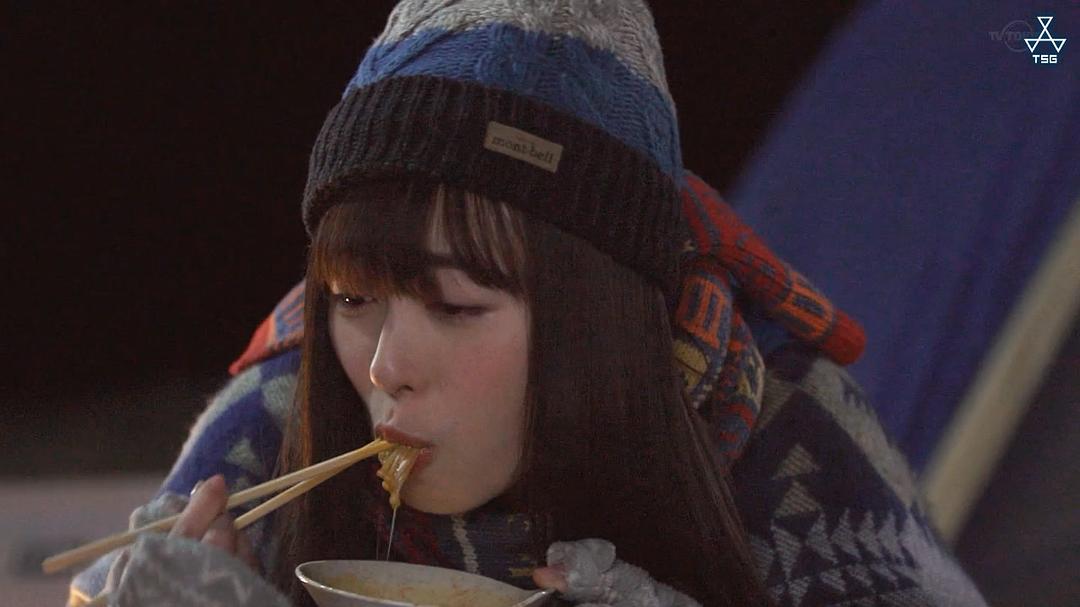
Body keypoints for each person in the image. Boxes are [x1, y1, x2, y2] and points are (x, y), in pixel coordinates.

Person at [69, 1, 988, 605]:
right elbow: (115, 579)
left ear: (599, 317)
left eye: (455, 305)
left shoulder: (789, 441)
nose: (385, 365)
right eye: (351, 297)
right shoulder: (275, 422)